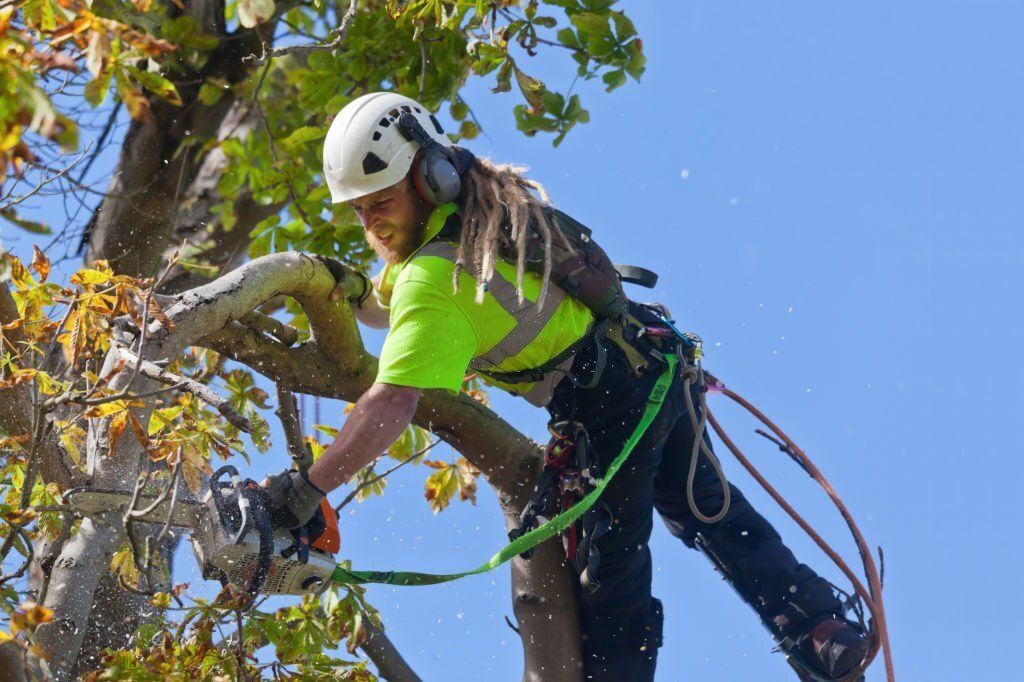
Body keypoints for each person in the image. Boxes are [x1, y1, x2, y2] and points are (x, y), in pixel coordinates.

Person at [264, 92, 867, 681]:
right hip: (649, 358)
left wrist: (308, 486)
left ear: (429, 179)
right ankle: (822, 630)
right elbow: (393, 305)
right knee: (706, 509)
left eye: (381, 202)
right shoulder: (468, 221)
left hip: (608, 404)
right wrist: (351, 291)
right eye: (359, 208)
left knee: (610, 573)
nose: (370, 221)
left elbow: (393, 400)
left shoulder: (431, 275)